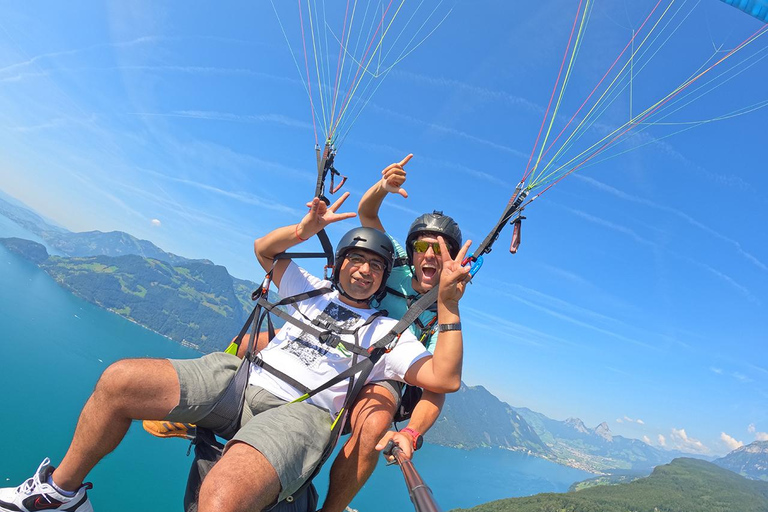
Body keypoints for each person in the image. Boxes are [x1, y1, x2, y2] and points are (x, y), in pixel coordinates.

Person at [0, 192, 471, 512]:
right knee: (120, 379)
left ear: (386, 275)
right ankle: (58, 494)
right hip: (241, 378)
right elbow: (264, 249)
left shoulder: (390, 330)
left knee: (221, 497)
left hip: (301, 410)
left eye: (376, 266)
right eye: (358, 260)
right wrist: (304, 229)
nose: (366, 271)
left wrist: (448, 305)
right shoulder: (306, 287)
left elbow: (444, 379)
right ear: (338, 264)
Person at [320, 155, 463, 512]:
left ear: (453, 259)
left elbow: (438, 385)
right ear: (411, 252)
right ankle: (209, 408)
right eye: (421, 247)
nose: (429, 254)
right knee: (257, 342)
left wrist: (411, 432)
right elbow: (367, 214)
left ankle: (331, 509)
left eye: (441, 249)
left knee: (374, 425)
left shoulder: (442, 313)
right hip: (346, 343)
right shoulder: (395, 264)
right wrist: (384, 188)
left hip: (386, 376)